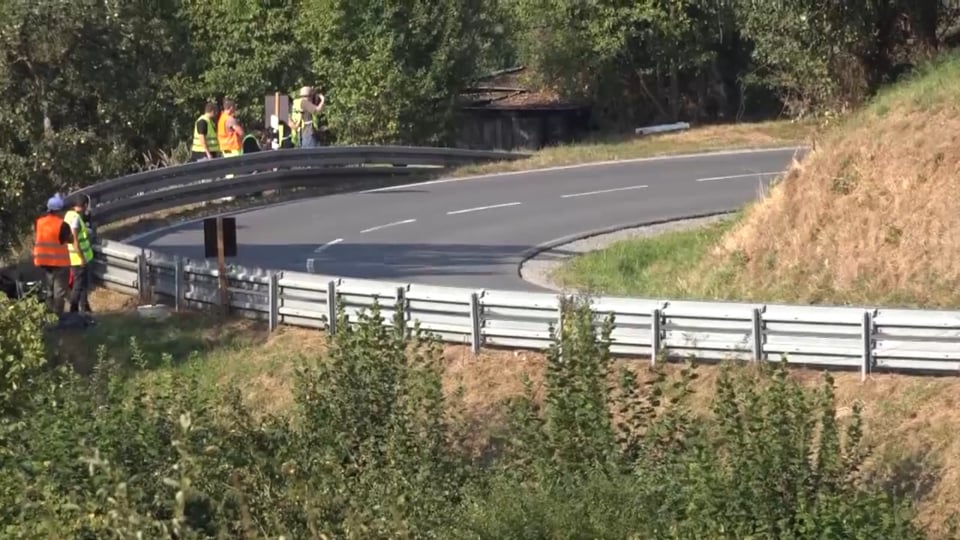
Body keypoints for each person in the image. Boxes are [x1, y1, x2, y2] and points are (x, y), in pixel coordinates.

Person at [32, 194, 72, 316]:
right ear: (59, 210)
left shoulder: (39, 222)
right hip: (59, 263)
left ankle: (48, 314)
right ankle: (57, 317)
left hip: (44, 261)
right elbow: (69, 239)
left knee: (49, 290)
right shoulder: (62, 225)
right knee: (59, 292)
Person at [64, 194, 95, 320]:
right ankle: (73, 311)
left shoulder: (68, 215)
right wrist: (82, 258)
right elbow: (75, 241)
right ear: (85, 205)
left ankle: (85, 309)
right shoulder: (75, 218)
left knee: (83, 285)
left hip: (75, 257)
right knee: (78, 286)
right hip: (79, 258)